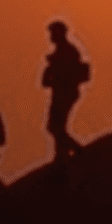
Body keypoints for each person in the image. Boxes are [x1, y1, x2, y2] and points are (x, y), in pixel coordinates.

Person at [42, 21, 90, 161]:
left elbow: (66, 74)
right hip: (59, 94)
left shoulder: (68, 51)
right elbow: (46, 81)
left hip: (66, 93)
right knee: (55, 126)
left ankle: (77, 150)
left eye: (53, 33)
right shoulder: (58, 53)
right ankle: (61, 156)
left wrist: (54, 67)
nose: (51, 36)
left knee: (55, 127)